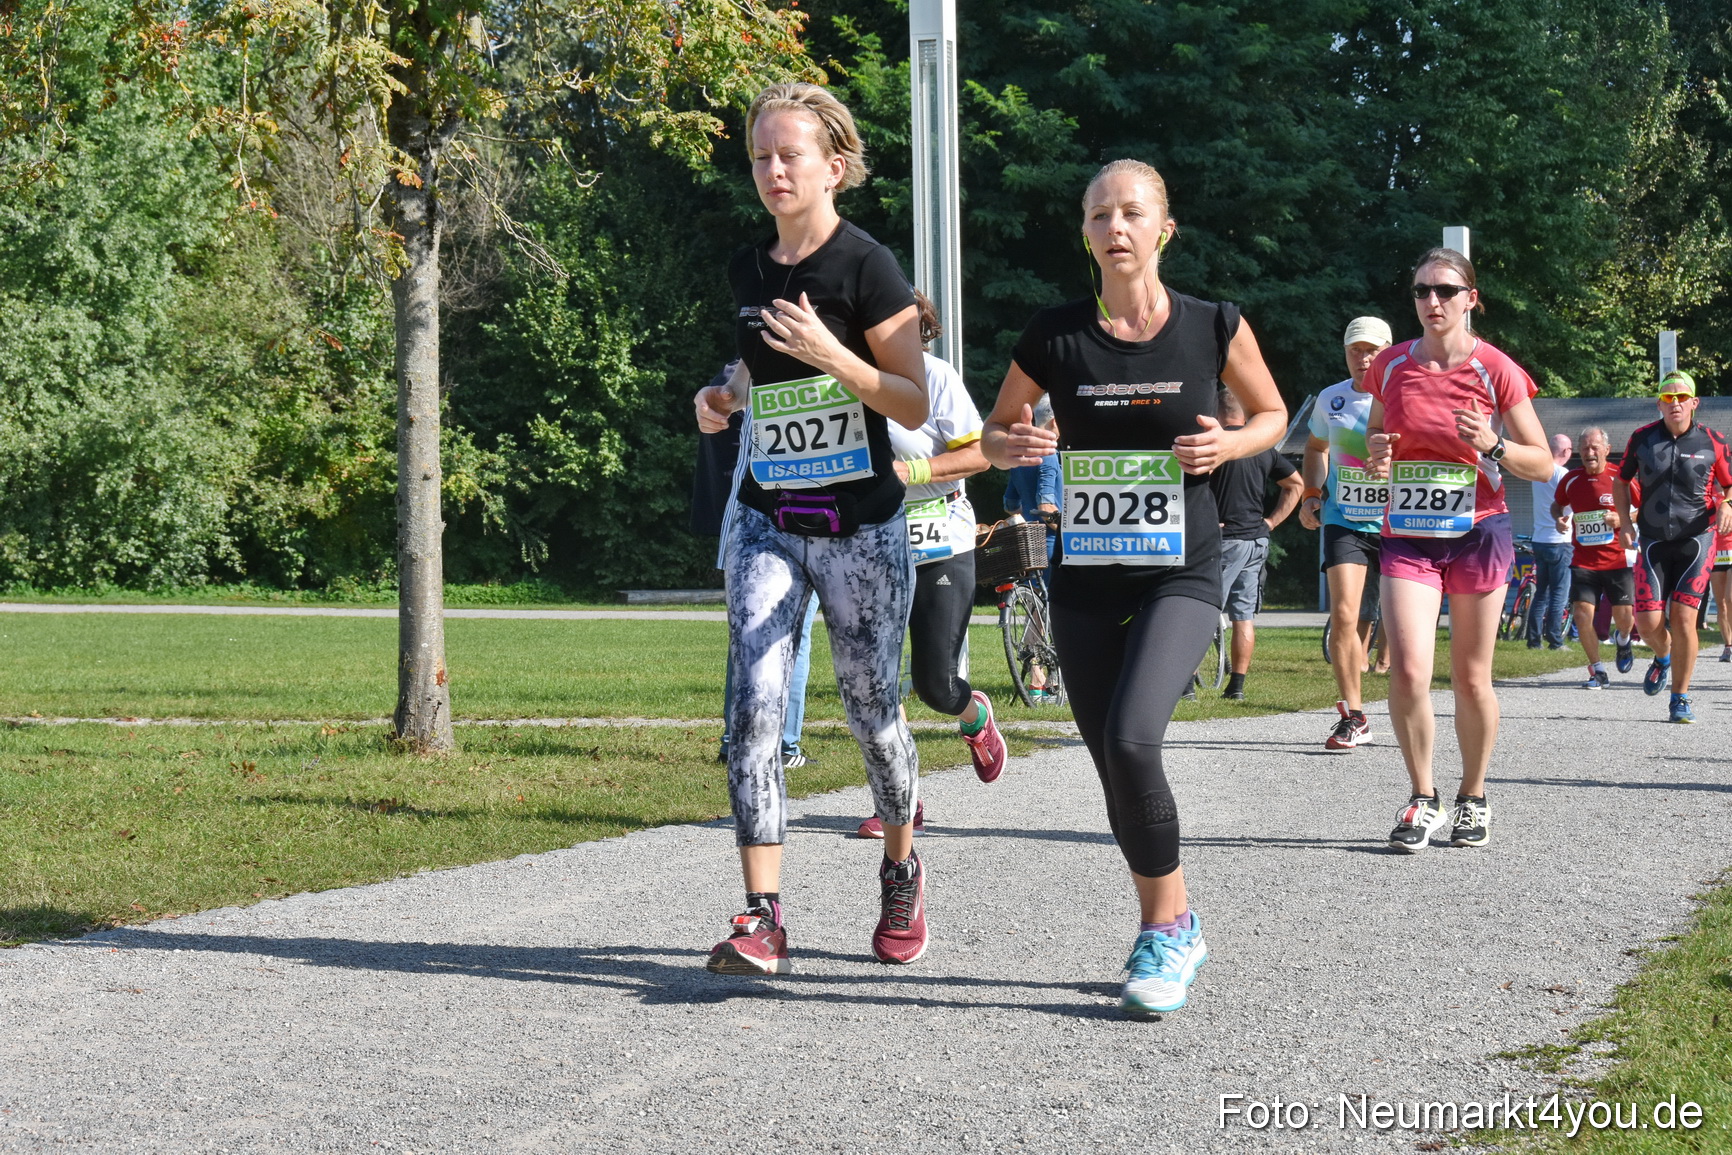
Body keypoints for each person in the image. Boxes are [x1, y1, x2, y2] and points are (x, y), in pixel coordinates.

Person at [981, 159, 1287, 1018]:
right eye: (1100, 214)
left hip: (1181, 572)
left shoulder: (1213, 324)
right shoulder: (1054, 335)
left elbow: (1271, 415)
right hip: (1084, 575)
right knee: (1113, 760)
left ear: (1164, 229)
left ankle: (1168, 925)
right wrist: (1015, 447)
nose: (1116, 227)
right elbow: (998, 429)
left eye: (1133, 213)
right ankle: (1169, 920)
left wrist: (1228, 446)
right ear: (1085, 232)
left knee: (1133, 735)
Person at [693, 82, 931, 975]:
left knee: (872, 711)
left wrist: (839, 356)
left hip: (860, 527)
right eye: (760, 155)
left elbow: (908, 397)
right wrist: (722, 396)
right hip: (769, 515)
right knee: (752, 707)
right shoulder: (748, 267)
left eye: (789, 154)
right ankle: (762, 914)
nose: (772, 170)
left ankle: (902, 864)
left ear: (835, 166)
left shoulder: (870, 268)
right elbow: (759, 375)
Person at [1364, 247, 1555, 854]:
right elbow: (1375, 432)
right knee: (1411, 671)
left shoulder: (1496, 369)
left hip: (1479, 530)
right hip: (1409, 532)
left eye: (1445, 290)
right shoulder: (1390, 366)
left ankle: (1473, 796)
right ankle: (1423, 798)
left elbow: (1544, 462)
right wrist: (1378, 454)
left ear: (1470, 298)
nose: (1432, 302)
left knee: (1472, 678)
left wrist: (1494, 446)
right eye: (1421, 291)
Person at [855, 291, 1007, 839]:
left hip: (940, 539)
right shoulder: (850, 383)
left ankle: (976, 717)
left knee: (935, 685)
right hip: (871, 544)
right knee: (873, 685)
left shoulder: (937, 378)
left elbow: (982, 453)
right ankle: (901, 801)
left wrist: (911, 474)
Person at [697, 362, 819, 771]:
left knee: (747, 632)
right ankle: (782, 744)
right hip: (803, 515)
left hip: (748, 518)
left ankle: (737, 739)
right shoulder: (811, 367)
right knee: (792, 635)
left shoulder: (745, 368)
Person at [1613, 369, 1732, 723]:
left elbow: (1731, 486)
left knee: (1683, 619)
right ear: (1659, 404)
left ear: (1694, 403)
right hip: (1652, 541)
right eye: (1668, 398)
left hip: (1697, 539)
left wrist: (1727, 504)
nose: (1675, 403)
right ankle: (1663, 656)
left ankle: (1680, 697)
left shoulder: (1713, 441)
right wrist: (1624, 521)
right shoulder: (1642, 438)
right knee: (1647, 624)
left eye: (1682, 397)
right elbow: (1621, 481)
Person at [1299, 314, 1392, 745]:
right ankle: (1354, 715)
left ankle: (1409, 700)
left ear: (1388, 352)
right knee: (1344, 615)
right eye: (1356, 350)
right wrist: (1312, 493)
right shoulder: (1331, 398)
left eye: (1372, 350)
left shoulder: (1404, 396)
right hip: (1344, 520)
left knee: (1392, 621)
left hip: (1397, 523)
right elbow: (1315, 448)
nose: (1363, 357)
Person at [1209, 387, 1302, 699]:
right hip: (1256, 541)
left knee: (1201, 613)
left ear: (1217, 413)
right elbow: (1296, 484)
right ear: (1244, 414)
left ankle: (1186, 687)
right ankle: (1237, 686)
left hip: (1222, 541)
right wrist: (1272, 521)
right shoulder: (1262, 449)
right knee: (1243, 617)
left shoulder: (1216, 447)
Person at [1550, 427, 1637, 687]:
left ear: (1607, 450)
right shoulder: (1571, 479)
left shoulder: (1620, 477)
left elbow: (1643, 510)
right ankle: (1597, 670)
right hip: (1584, 561)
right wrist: (1560, 518)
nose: (1589, 453)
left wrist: (1621, 518)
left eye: (1595, 447)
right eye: (1585, 448)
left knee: (1624, 618)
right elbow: (1557, 504)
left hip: (1616, 560)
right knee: (1582, 614)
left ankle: (1622, 639)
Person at [1527, 434, 1574, 650]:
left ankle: (1533, 640)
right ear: (1565, 452)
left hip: (1539, 539)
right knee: (1559, 593)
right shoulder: (1563, 474)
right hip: (1560, 540)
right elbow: (1573, 505)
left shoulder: (1538, 473)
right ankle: (1555, 640)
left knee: (1541, 593)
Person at [1714, 518, 1732, 663]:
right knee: (1721, 604)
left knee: (1730, 598)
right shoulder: (1707, 494)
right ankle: (1728, 646)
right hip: (1716, 552)